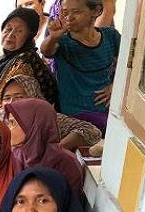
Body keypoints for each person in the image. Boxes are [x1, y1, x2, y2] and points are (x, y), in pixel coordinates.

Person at [41, 0, 120, 135]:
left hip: (106, 108)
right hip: (74, 115)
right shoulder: (62, 42)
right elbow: (46, 50)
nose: (69, 17)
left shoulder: (110, 36)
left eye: (76, 12)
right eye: (65, 13)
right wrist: (53, 37)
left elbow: (129, 64)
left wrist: (115, 85)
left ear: (96, 11)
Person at [0, 74, 101, 151]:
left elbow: (90, 130)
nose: (12, 103)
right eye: (6, 98)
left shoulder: (47, 118)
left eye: (19, 97)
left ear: (34, 98)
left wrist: (58, 148)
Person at [5, 98, 85, 196]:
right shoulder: (15, 156)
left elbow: (69, 205)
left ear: (33, 126)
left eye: (12, 123)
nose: (8, 129)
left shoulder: (66, 163)